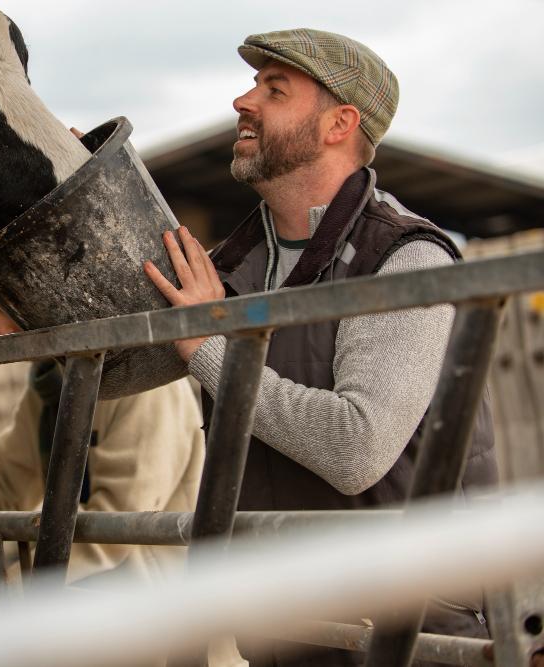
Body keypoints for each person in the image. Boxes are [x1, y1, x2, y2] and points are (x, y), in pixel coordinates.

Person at [143, 29, 497, 666]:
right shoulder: (231, 268)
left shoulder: (403, 257)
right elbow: (121, 369)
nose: (241, 102)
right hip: (290, 629)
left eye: (273, 90)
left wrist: (208, 348)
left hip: (407, 635)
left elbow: (355, 448)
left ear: (340, 123)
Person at [0, 302, 247, 667]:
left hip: (165, 622)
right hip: (96, 615)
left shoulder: (141, 388)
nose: (0, 331)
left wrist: (7, 588)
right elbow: (4, 475)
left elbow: (119, 521)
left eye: (9, 308)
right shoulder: (50, 388)